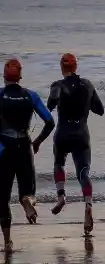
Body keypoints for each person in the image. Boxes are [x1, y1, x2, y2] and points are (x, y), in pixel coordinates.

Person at [0, 59, 55, 251]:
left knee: (2, 198)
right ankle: (26, 200)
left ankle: (7, 242)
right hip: (24, 146)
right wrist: (38, 141)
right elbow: (50, 121)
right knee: (28, 190)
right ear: (20, 76)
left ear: (5, 76)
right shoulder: (30, 96)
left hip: (4, 148)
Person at [47, 53, 105, 235]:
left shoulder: (57, 85)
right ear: (76, 67)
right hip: (81, 134)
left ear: (62, 68)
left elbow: (48, 107)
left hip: (63, 133)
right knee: (83, 172)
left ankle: (61, 196)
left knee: (59, 163)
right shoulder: (87, 84)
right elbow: (100, 110)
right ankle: (88, 203)